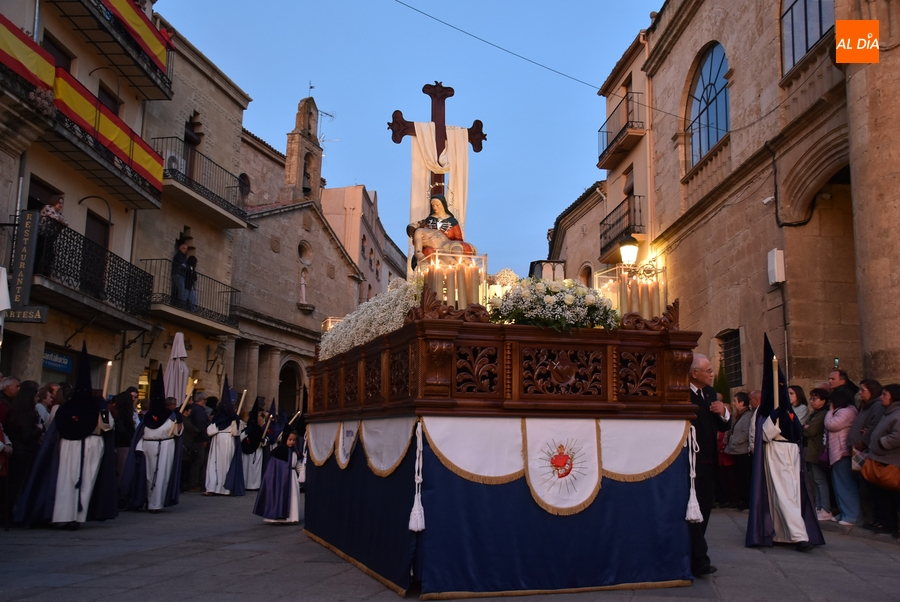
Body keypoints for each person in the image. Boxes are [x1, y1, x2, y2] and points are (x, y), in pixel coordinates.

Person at [15, 343, 118, 529]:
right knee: (85, 481)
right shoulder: (96, 407)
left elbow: (56, 429)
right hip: (91, 444)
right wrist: (103, 408)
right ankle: (76, 516)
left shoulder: (65, 408)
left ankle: (63, 516)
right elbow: (108, 426)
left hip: (67, 445)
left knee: (65, 479)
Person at [746, 336, 823, 552]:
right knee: (783, 493)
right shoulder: (764, 413)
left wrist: (787, 417)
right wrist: (773, 417)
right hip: (776, 453)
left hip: (792, 453)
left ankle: (783, 533)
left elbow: (798, 432)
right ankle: (799, 536)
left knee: (793, 495)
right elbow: (764, 434)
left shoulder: (790, 410)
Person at [688, 353, 730, 576]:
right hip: (691, 462)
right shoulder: (682, 393)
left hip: (709, 460)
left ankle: (698, 555)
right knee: (692, 512)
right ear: (695, 373)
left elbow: (723, 426)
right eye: (709, 370)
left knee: (704, 510)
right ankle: (698, 559)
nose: (713, 374)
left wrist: (723, 412)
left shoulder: (711, 393)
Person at [122, 369, 183, 513]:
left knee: (162, 475)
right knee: (148, 475)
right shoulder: (153, 417)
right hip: (151, 445)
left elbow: (176, 431)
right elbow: (141, 433)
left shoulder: (170, 416)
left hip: (165, 445)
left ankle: (156, 503)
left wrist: (178, 422)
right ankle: (148, 500)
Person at [863, 383, 900, 536]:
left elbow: (897, 436)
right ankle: (885, 522)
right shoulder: (887, 412)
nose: (881, 397)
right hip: (879, 458)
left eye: (885, 394)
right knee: (880, 495)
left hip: (890, 460)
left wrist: (880, 443)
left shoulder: (897, 414)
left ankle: (893, 524)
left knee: (893, 496)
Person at [850, 379, 885, 527]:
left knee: (871, 489)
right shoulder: (865, 405)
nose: (860, 393)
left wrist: (863, 439)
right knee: (864, 488)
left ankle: (876, 519)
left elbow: (873, 426)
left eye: (863, 390)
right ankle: (871, 518)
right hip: (860, 450)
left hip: (868, 450)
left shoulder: (877, 406)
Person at [407, 194, 476, 269]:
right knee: (452, 263)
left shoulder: (452, 221)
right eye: (433, 205)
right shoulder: (426, 223)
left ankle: (474, 269)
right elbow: (417, 245)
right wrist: (423, 259)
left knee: (459, 255)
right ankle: (460, 270)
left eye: (437, 205)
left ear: (443, 204)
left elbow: (458, 238)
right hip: (438, 250)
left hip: (450, 244)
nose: (435, 207)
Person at [253, 422, 301, 524]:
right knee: (280, 496)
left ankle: (291, 517)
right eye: (290, 439)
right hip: (281, 479)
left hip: (292, 478)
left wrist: (302, 475)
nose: (292, 442)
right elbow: (275, 469)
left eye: (294, 440)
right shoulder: (280, 451)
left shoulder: (294, 451)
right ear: (285, 439)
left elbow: (297, 464)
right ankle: (277, 517)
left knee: (293, 497)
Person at [825, 388, 860, 525]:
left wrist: (829, 411)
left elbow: (831, 424)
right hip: (836, 452)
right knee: (838, 485)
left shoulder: (847, 411)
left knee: (845, 484)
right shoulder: (841, 411)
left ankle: (852, 515)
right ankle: (844, 512)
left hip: (842, 452)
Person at [205, 379, 244, 496]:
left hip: (218, 440)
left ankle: (215, 487)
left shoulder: (218, 419)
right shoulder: (234, 419)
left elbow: (210, 431)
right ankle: (223, 488)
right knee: (225, 464)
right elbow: (237, 433)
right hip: (228, 440)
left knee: (215, 464)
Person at [803, 388, 833, 521]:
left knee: (820, 481)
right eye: (811, 398)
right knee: (815, 480)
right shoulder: (814, 413)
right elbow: (803, 427)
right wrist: (805, 427)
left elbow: (810, 430)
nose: (812, 401)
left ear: (823, 401)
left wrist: (806, 428)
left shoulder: (822, 414)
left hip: (817, 450)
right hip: (810, 450)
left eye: (815, 398)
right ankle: (819, 506)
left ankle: (825, 508)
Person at [725, 392, 753, 510]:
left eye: (735, 401)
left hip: (742, 451)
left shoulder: (747, 416)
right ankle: (740, 499)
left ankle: (746, 501)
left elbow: (745, 433)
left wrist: (734, 442)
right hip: (735, 451)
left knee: (745, 477)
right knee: (738, 477)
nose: (733, 403)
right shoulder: (738, 415)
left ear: (742, 403)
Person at [37, 195, 68, 275]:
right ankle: (37, 270)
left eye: (62, 203)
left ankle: (45, 271)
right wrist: (60, 221)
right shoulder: (48, 207)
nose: (61, 205)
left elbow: (66, 222)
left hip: (49, 235)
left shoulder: (59, 212)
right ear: (54, 202)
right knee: (40, 251)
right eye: (59, 203)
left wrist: (61, 221)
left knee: (50, 254)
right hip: (41, 234)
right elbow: (55, 217)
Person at [186, 391, 210, 492]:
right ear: (201, 400)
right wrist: (204, 438)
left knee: (199, 462)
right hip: (199, 439)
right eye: (204, 400)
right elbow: (201, 425)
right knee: (198, 462)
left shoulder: (195, 409)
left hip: (197, 438)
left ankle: (197, 482)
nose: (205, 402)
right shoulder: (198, 411)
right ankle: (193, 483)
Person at [240, 403, 266, 491]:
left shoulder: (260, 430)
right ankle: (246, 483)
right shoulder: (247, 428)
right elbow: (241, 437)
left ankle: (254, 485)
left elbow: (265, 439)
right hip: (247, 451)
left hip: (257, 451)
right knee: (246, 468)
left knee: (254, 469)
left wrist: (263, 441)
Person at [172, 239, 189, 308]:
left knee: (182, 290)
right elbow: (184, 265)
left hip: (180, 275)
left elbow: (185, 266)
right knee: (181, 290)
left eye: (186, 249)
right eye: (184, 248)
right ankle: (180, 306)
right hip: (178, 274)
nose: (185, 250)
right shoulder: (179, 255)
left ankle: (181, 304)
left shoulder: (183, 257)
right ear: (180, 248)